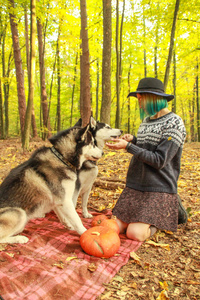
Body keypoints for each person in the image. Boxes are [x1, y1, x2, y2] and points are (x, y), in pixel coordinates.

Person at [106, 77, 188, 242]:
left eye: (141, 98)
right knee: (116, 226)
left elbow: (159, 160)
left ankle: (167, 214)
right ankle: (155, 215)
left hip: (159, 187)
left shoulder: (174, 123)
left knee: (134, 233)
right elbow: (147, 149)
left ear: (153, 97)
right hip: (137, 185)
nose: (139, 102)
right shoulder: (146, 121)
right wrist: (134, 140)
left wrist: (128, 147)